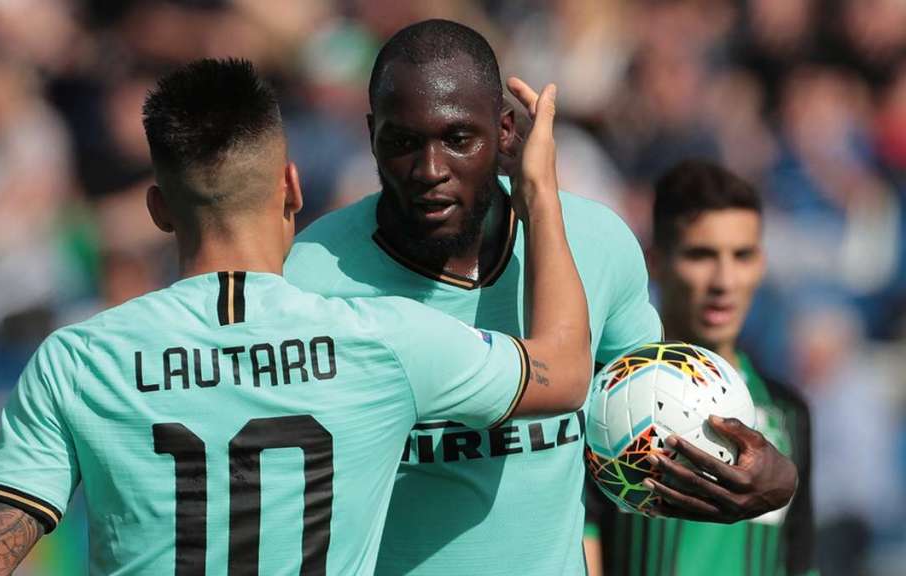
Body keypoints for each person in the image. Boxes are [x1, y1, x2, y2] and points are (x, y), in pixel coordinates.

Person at [0, 58, 591, 574]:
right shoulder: (384, 341)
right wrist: (537, 192)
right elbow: (563, 371)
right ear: (292, 188)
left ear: (159, 210)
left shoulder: (79, 360)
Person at [284, 19, 799, 575]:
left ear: (506, 129)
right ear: (371, 135)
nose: (430, 170)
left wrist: (766, 478)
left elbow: (649, 420)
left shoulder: (596, 243)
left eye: (459, 139)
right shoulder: (310, 278)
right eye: (403, 142)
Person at [583, 160, 816, 576]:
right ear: (655, 261)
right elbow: (580, 544)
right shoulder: (606, 399)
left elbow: (799, 561)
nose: (724, 281)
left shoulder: (789, 410)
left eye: (742, 255)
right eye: (700, 255)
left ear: (761, 263)